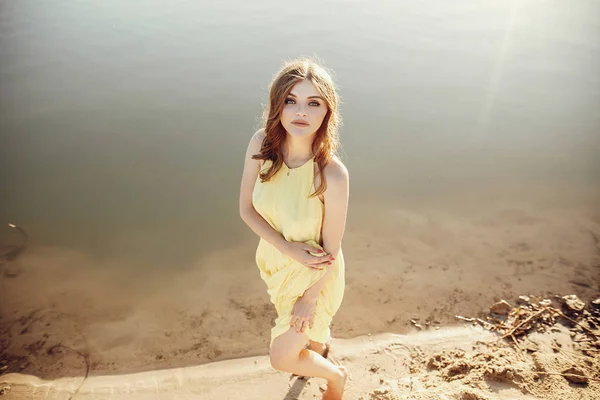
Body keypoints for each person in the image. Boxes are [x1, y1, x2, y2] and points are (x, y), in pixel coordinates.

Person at [239, 57, 349, 399]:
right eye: (291, 100)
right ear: (278, 106)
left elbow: (331, 249)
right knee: (311, 339)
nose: (301, 111)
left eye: (313, 103)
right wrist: (286, 248)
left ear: (327, 112)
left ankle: (336, 377)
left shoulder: (332, 174)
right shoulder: (262, 145)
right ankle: (320, 348)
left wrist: (309, 298)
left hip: (316, 274)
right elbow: (245, 210)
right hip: (276, 262)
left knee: (282, 357)